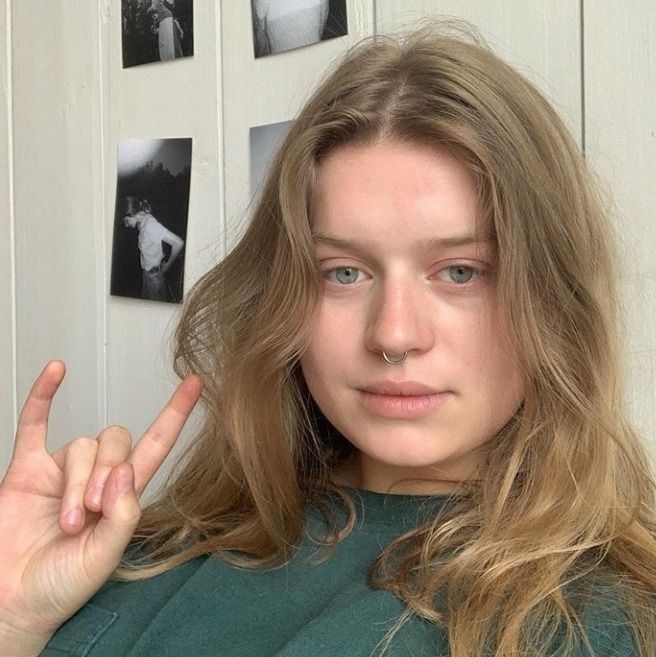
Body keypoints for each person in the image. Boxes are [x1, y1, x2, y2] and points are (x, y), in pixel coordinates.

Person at [1, 22, 655, 657]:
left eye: (461, 271)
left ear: (550, 296)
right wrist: (14, 617)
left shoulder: (598, 619)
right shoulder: (154, 550)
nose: (394, 334)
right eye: (344, 272)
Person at [122, 196, 185, 301]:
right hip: (148, 273)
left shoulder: (150, 225)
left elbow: (178, 243)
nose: (126, 225)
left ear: (132, 214)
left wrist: (167, 266)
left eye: (126, 221)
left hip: (154, 276)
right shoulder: (141, 221)